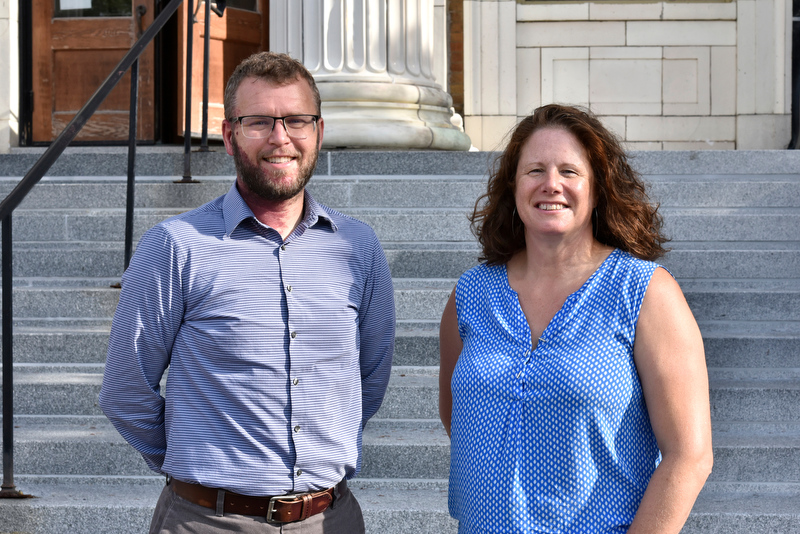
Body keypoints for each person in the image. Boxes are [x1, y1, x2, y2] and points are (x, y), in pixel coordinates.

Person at [99, 51, 395, 534]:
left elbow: (370, 380)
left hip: (330, 521)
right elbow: (125, 392)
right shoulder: (176, 246)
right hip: (205, 523)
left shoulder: (357, 248)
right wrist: (199, 475)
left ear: (318, 131)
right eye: (258, 121)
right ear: (229, 135)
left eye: (296, 120)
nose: (281, 138)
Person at [439, 104, 713, 533]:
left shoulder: (645, 293)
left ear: (598, 188)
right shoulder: (471, 295)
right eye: (534, 171)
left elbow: (689, 455)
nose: (551, 184)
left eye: (569, 171)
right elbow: (460, 416)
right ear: (512, 186)